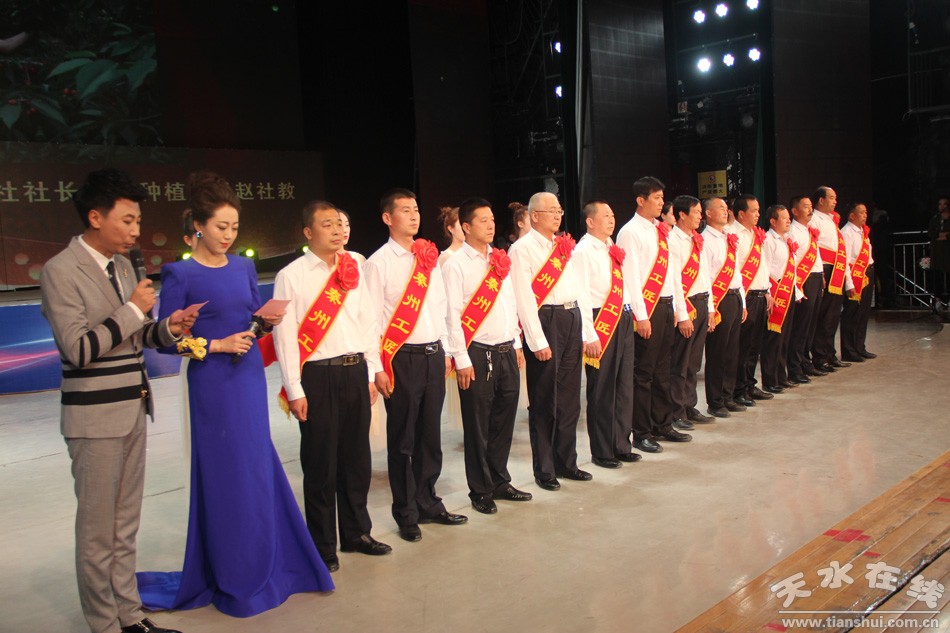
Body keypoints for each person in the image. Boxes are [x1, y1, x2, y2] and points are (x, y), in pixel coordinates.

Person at [137, 172, 334, 617]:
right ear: (199, 226)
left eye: (234, 228)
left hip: (246, 377)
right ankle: (232, 569)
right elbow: (166, 341)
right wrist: (215, 345)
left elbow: (249, 320)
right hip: (211, 383)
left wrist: (264, 323)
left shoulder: (244, 267)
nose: (228, 235)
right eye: (220, 227)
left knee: (255, 466)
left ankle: (271, 558)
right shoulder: (180, 273)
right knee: (225, 474)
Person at [40, 168, 191, 633]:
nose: (135, 231)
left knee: (125, 525)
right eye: (127, 220)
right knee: (97, 532)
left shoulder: (124, 267)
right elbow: (79, 349)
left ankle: (130, 614)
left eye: (138, 221)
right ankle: (104, 623)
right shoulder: (60, 271)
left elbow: (135, 336)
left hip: (132, 409)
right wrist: (131, 310)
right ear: (95, 217)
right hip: (94, 419)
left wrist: (167, 328)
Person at [273, 200, 391, 572]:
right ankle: (322, 545)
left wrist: (372, 371)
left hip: (355, 371)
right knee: (320, 463)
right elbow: (285, 337)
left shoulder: (354, 264)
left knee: (357, 460)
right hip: (318, 376)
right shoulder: (291, 275)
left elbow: (369, 322)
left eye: (340, 223)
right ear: (308, 232)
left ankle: (357, 533)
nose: (338, 230)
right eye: (327, 224)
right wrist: (294, 389)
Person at [364, 188, 467, 542]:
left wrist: (447, 351)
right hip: (402, 358)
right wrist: (376, 367)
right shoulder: (378, 263)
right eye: (405, 210)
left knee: (430, 437)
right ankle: (406, 512)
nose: (413, 216)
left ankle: (428, 502)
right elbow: (372, 320)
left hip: (433, 355)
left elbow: (441, 307)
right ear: (387, 218)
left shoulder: (428, 257)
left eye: (416, 209)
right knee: (403, 440)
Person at [443, 197, 532, 514]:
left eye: (492, 219)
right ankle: (480, 490)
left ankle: (499, 481)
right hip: (477, 353)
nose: (491, 225)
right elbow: (452, 315)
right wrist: (461, 359)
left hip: (507, 350)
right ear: (466, 227)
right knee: (478, 427)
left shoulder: (500, 259)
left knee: (504, 422)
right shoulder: (455, 265)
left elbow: (510, 304)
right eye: (483, 220)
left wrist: (517, 343)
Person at [508, 191, 598, 489]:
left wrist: (586, 331)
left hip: (571, 317)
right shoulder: (521, 249)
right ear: (534, 216)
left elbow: (580, 289)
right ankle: (545, 469)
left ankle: (567, 462)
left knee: (570, 398)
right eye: (551, 211)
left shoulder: (562, 246)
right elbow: (523, 298)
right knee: (545, 399)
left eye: (559, 210)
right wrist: (536, 340)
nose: (558, 215)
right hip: (546, 321)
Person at [616, 177, 690, 452]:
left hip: (667, 305)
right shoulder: (629, 232)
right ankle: (642, 432)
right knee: (644, 373)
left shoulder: (661, 230)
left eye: (662, 198)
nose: (661, 203)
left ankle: (662, 423)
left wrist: (680, 310)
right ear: (641, 200)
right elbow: (631, 277)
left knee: (663, 371)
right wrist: (641, 315)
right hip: (648, 308)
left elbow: (673, 274)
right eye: (656, 198)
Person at [573, 200, 640, 467]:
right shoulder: (582, 251)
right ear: (590, 221)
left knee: (624, 385)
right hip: (600, 319)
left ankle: (622, 444)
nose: (612, 219)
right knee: (602, 389)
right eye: (605, 216)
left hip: (622, 317)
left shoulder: (611, 246)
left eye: (612, 215)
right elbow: (581, 294)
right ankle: (602, 451)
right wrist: (588, 334)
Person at [666, 195, 715, 431]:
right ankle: (676, 411)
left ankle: (689, 405)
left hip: (702, 301)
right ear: (682, 215)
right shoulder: (672, 240)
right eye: (696, 212)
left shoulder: (696, 239)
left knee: (694, 362)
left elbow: (704, 275)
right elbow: (675, 280)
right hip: (687, 304)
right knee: (680, 362)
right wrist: (682, 313)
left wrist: (711, 309)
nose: (700, 216)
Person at [702, 197, 747, 418]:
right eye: (720, 208)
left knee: (732, 351)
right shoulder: (704, 240)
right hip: (719, 300)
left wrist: (743, 302)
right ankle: (716, 401)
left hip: (735, 297)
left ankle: (728, 396)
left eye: (726, 208)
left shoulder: (729, 237)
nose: (725, 211)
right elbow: (706, 278)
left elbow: (736, 272)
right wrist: (711, 308)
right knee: (717, 353)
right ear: (708, 213)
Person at [728, 194, 774, 405]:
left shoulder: (756, 234)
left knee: (755, 346)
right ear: (741, 214)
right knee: (742, 346)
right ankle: (738, 389)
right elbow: (734, 271)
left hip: (761, 295)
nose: (757, 214)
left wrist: (768, 291)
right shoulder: (732, 235)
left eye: (758, 210)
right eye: (753, 211)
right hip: (746, 296)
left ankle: (749, 384)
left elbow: (762, 267)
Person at [809, 186, 855, 372]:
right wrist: (820, 273)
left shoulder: (832, 220)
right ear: (821, 200)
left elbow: (841, 252)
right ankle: (820, 357)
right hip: (825, 270)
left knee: (833, 316)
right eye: (832, 198)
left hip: (837, 269)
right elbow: (813, 248)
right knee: (823, 316)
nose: (835, 201)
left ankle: (830, 354)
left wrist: (848, 280)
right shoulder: (814, 219)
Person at [760, 205, 801, 392]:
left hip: (788, 292)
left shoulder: (786, 240)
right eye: (784, 218)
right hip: (775, 294)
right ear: (773, 221)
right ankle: (770, 380)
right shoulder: (768, 240)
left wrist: (796, 292)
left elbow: (792, 270)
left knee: (785, 337)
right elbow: (765, 269)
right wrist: (769, 293)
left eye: (788, 217)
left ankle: (781, 376)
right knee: (773, 339)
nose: (788, 221)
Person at [785, 195, 825, 383]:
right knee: (800, 327)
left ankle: (805, 362)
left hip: (815, 278)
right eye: (806, 206)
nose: (810, 210)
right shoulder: (792, 232)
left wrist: (821, 276)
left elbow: (816, 257)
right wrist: (797, 288)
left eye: (810, 206)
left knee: (810, 325)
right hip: (803, 281)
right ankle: (795, 367)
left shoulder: (809, 230)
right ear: (794, 211)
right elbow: (791, 263)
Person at [840, 202, 876, 361]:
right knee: (852, 313)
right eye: (861, 212)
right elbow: (845, 259)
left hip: (866, 273)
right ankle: (849, 351)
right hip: (854, 275)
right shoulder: (846, 232)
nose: (865, 215)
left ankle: (860, 347)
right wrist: (849, 283)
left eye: (866, 212)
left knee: (863, 313)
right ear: (851, 215)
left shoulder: (863, 231)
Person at [928, 196, 950, 303]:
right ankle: (938, 300)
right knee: (937, 276)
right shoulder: (935, 218)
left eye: (944, 204)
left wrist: (946, 236)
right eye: (939, 204)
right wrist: (940, 235)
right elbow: (931, 233)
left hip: (948, 251)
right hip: (937, 252)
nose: (942, 206)